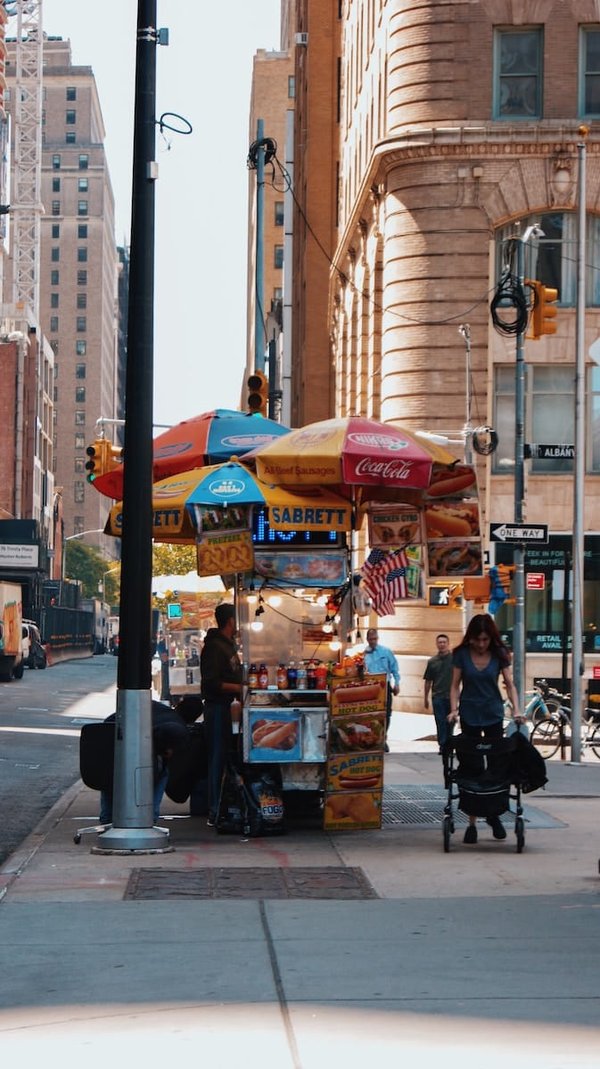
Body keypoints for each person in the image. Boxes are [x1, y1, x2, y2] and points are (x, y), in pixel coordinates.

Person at [448, 613, 523, 844]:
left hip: (492, 712)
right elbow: (454, 686)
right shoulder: (461, 654)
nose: (481, 644)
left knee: (496, 766)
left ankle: (493, 814)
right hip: (470, 712)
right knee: (473, 766)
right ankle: (471, 823)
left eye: (485, 640)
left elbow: (509, 685)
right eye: (477, 640)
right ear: (470, 638)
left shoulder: (499, 654)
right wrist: (454, 710)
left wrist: (517, 710)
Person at [99, 700, 196, 825]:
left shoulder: (156, 711)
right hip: (133, 747)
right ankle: (150, 818)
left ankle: (106, 818)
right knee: (162, 774)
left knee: (109, 775)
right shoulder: (175, 726)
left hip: (108, 745)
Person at [200, 603, 242, 826]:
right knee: (217, 757)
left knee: (226, 757)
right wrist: (240, 688)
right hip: (218, 709)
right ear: (230, 621)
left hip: (229, 708)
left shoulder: (229, 646)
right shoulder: (215, 648)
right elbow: (212, 683)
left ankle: (225, 806)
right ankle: (215, 810)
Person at [363, 627, 400, 752]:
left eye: (375, 638)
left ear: (377, 639)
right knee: (372, 713)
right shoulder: (363, 654)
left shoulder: (386, 652)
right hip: (370, 686)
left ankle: (383, 738)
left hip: (385, 685)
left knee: (387, 713)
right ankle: (374, 739)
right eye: (370, 639)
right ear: (367, 639)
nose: (373, 641)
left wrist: (397, 684)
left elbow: (394, 669)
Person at [423, 633, 453, 754]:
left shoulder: (454, 660)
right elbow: (428, 681)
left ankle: (449, 743)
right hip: (438, 696)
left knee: (450, 722)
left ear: (448, 644)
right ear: (436, 644)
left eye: (444, 642)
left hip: (451, 697)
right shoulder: (432, 662)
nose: (442, 644)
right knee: (440, 721)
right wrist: (425, 698)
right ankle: (443, 745)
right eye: (439, 642)